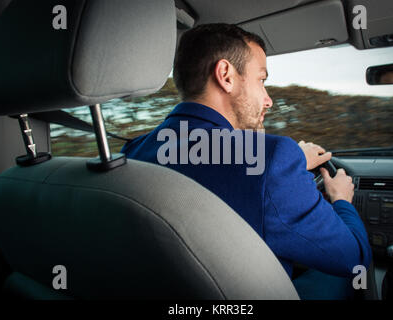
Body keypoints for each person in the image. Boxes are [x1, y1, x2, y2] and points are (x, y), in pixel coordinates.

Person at [121, 23, 372, 299]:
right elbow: (354, 258)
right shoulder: (273, 159)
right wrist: (341, 201)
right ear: (226, 75)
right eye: (261, 80)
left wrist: (293, 161)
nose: (269, 101)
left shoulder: (132, 152)